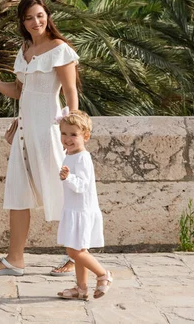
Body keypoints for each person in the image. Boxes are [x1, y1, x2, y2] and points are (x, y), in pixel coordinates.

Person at [0, 0, 79, 276]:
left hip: (49, 131)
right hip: (23, 132)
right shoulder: (25, 49)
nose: (36, 22)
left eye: (40, 15)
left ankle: (79, 256)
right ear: (22, 22)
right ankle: (15, 258)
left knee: (62, 191)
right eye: (29, 17)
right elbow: (20, 91)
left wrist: (71, 130)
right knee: (18, 194)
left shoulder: (60, 49)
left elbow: (70, 92)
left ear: (48, 16)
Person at [55, 108, 112, 300]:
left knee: (74, 250)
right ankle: (81, 288)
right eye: (64, 133)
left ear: (85, 136)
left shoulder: (83, 158)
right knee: (78, 249)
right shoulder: (69, 155)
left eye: (73, 134)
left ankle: (103, 274)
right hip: (73, 209)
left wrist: (68, 177)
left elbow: (82, 186)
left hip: (82, 210)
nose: (67, 138)